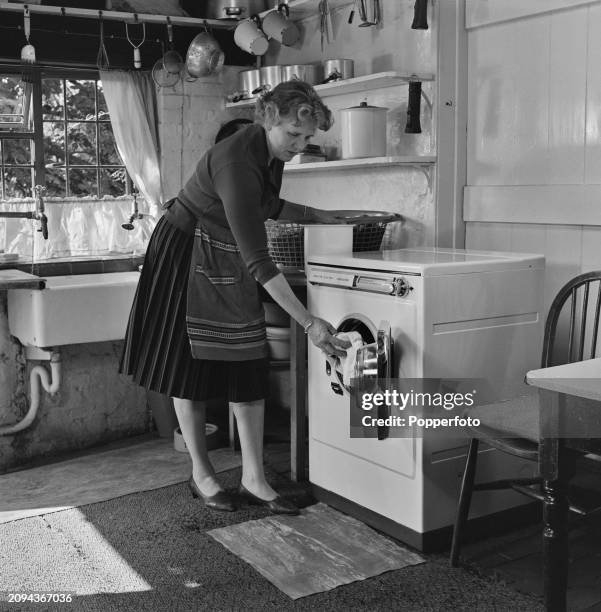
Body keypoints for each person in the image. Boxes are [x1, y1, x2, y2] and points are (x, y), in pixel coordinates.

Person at [120, 80, 350, 515]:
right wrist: (309, 323)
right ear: (268, 118)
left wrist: (317, 215)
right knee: (187, 367)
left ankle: (254, 478)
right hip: (185, 251)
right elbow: (260, 262)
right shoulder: (236, 162)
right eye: (293, 136)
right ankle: (202, 474)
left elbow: (267, 205)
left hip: (225, 253)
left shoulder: (272, 153)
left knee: (248, 363)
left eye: (307, 139)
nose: (299, 146)